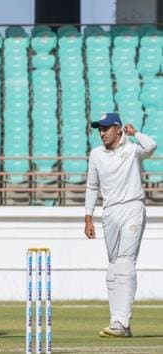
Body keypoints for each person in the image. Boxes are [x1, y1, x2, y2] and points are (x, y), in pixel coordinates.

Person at [84, 113, 156, 338]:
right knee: (113, 267)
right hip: (110, 211)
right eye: (99, 129)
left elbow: (151, 146)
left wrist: (135, 134)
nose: (102, 133)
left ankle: (122, 322)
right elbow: (92, 186)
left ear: (118, 129)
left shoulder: (133, 149)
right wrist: (88, 217)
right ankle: (117, 320)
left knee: (125, 262)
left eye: (106, 128)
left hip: (132, 207)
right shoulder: (96, 154)